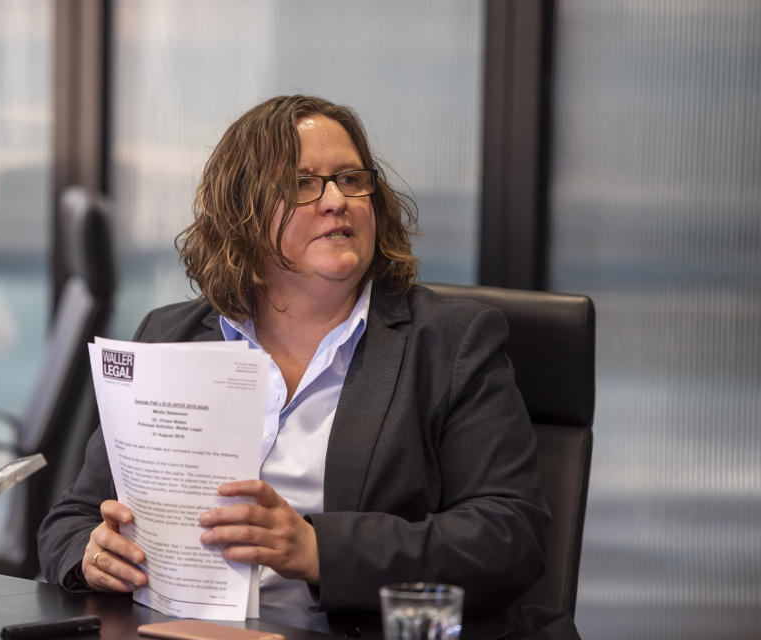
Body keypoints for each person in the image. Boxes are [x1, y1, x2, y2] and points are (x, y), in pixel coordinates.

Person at [38, 95, 550, 639]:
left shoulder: (448, 342)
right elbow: (69, 519)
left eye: (352, 179)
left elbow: (509, 535)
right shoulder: (169, 336)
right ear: (242, 212)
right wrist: (91, 554)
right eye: (304, 184)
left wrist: (317, 550)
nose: (337, 201)